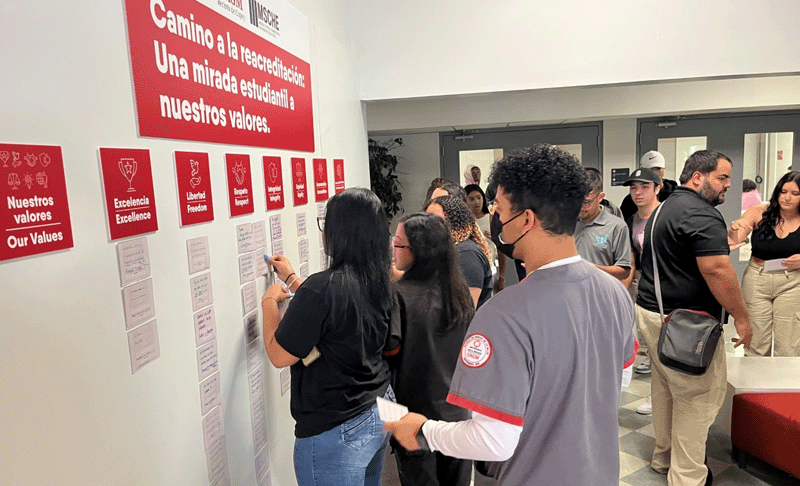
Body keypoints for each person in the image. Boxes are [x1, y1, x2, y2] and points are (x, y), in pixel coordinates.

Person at [385, 144, 637, 486]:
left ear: (527, 219)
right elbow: (616, 384)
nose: (494, 217)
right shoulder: (614, 294)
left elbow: (493, 441)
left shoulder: (503, 314)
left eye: (500, 209)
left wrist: (425, 430)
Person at [260, 187, 394, 486]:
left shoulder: (322, 289)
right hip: (378, 408)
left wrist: (269, 302)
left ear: (338, 232)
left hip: (337, 428)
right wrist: (293, 279)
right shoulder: (379, 278)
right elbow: (336, 308)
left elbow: (279, 354)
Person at [636, 150, 753, 486]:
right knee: (697, 399)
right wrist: (742, 317)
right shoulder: (701, 214)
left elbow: (683, 254)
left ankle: (665, 457)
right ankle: (687, 478)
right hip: (684, 325)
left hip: (653, 313)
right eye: (722, 177)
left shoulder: (664, 208)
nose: (728, 185)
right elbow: (716, 269)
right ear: (698, 177)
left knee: (666, 390)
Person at [386, 212, 475, 486]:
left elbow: (388, 353)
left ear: (419, 252)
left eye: (399, 244)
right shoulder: (459, 295)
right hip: (458, 417)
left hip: (414, 417)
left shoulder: (398, 296)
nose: (393, 249)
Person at [728, 171, 800, 356]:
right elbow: (737, 237)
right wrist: (735, 230)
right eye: (783, 192)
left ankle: (784, 384)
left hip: (792, 283)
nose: (787, 198)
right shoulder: (759, 211)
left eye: (795, 193)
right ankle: (754, 384)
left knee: (789, 347)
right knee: (756, 345)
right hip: (757, 279)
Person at [621, 167, 663, 414]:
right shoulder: (632, 221)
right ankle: (655, 397)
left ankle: (667, 398)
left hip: (668, 287)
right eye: (634, 187)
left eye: (644, 187)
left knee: (666, 347)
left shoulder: (667, 214)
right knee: (650, 343)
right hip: (644, 284)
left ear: (657, 188)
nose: (638, 192)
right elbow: (631, 261)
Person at [426, 195, 493, 308]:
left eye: (435, 220)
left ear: (454, 221)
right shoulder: (449, 249)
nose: (428, 225)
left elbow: (466, 311)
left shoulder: (466, 254)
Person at [574, 167, 632, 283]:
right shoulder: (566, 222)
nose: (580, 207)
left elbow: (624, 271)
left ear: (600, 197)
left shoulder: (617, 227)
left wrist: (593, 269)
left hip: (600, 294)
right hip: (571, 293)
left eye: (586, 202)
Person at [465, 183, 506, 292]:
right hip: (470, 270)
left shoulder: (491, 218)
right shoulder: (465, 222)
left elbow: (501, 249)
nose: (476, 202)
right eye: (471, 199)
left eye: (479, 198)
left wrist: (502, 276)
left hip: (491, 269)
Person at [620, 150, 678, 221]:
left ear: (664, 169)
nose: (654, 173)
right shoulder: (631, 200)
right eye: (650, 169)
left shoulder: (676, 195)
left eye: (658, 169)